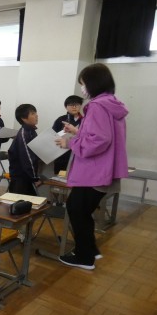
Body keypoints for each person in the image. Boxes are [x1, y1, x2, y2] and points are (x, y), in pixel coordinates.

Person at [56, 64, 128, 270]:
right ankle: (89, 249)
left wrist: (70, 143)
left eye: (83, 84)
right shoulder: (110, 103)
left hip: (93, 170)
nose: (82, 88)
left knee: (76, 209)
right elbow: (101, 134)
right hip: (103, 168)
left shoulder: (97, 106)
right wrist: (77, 132)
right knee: (80, 209)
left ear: (93, 83)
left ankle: (84, 257)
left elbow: (100, 140)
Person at [8, 104, 39, 196]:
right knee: (20, 203)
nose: (36, 115)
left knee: (31, 203)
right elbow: (28, 158)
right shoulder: (24, 134)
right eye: (33, 114)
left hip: (27, 176)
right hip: (21, 178)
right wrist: (35, 178)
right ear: (24, 118)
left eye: (36, 113)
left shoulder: (32, 132)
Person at [51, 95, 83, 174]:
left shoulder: (85, 120)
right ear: (66, 107)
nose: (74, 107)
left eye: (77, 104)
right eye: (71, 105)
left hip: (78, 155)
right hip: (62, 155)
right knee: (60, 178)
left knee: (76, 177)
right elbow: (52, 136)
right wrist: (64, 132)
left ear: (80, 106)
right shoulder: (61, 120)